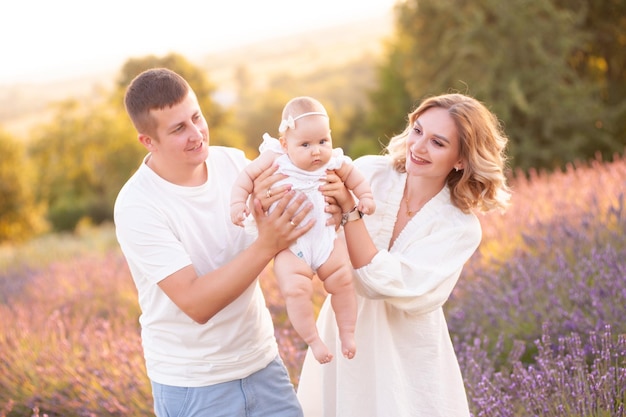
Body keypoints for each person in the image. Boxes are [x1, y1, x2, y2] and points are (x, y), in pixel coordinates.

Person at [114, 67, 316, 417]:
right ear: (148, 141)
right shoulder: (137, 205)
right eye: (179, 129)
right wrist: (267, 244)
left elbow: (290, 211)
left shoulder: (233, 163)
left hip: (262, 364)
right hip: (194, 385)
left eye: (196, 117)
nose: (196, 135)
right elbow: (195, 302)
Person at [297, 93, 512, 416]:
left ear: (461, 159)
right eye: (417, 131)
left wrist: (349, 213)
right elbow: (309, 220)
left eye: (438, 143)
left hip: (406, 353)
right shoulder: (370, 172)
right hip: (343, 334)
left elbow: (380, 284)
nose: (418, 147)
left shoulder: (458, 227)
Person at [230, 96, 375, 363]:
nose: (316, 151)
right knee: (295, 291)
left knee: (343, 282)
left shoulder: (334, 162)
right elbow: (246, 178)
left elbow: (356, 179)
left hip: (327, 240)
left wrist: (364, 197)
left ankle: (347, 333)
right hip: (290, 246)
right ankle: (314, 341)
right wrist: (238, 202)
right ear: (286, 144)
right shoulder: (275, 157)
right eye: (305, 144)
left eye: (323, 142)